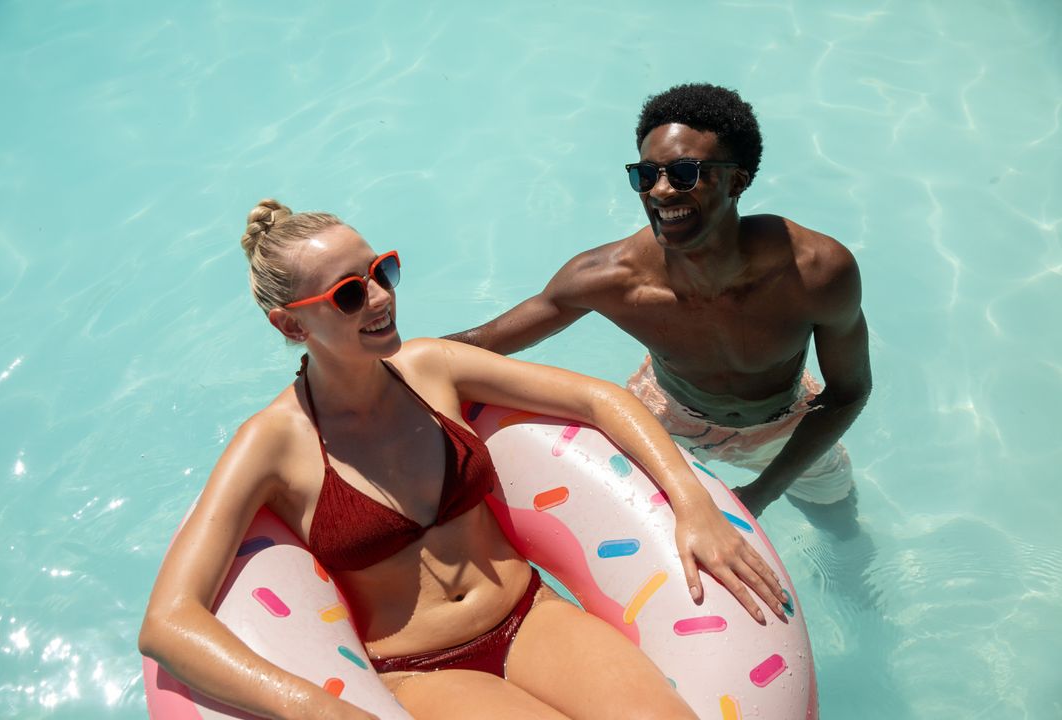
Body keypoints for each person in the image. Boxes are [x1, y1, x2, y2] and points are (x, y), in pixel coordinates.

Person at [138, 199, 788, 720]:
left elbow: (597, 399)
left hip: (532, 616)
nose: (380, 297)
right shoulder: (272, 444)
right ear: (291, 326)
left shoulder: (429, 369)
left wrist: (692, 503)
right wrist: (314, 707)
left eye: (381, 271)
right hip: (424, 672)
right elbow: (168, 623)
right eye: (347, 294)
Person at [445, 83, 872, 522]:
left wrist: (764, 490)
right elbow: (478, 343)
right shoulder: (611, 279)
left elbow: (848, 392)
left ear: (737, 181)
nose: (662, 192)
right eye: (645, 176)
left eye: (685, 173)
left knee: (836, 511)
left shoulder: (814, 272)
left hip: (786, 423)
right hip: (666, 417)